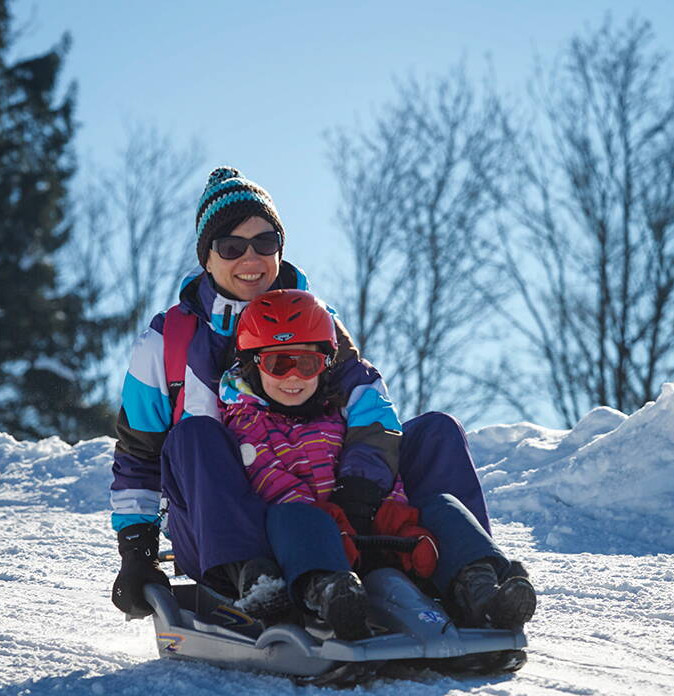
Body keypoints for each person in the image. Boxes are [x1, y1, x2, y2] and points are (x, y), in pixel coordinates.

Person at [107, 166, 496, 623]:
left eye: (265, 242)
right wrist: (137, 553)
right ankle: (260, 581)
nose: (250, 258)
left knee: (436, 431)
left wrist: (357, 494)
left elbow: (370, 405)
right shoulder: (165, 342)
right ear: (206, 258)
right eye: (231, 246)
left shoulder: (318, 323)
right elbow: (138, 455)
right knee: (195, 435)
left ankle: (473, 577)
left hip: (337, 506)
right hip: (230, 529)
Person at [217, 291, 536, 635]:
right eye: (278, 364)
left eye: (306, 363)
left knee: (441, 508)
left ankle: (482, 591)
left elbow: (383, 462)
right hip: (313, 541)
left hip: (371, 526)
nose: (293, 376)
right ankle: (330, 597)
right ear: (253, 365)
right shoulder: (248, 421)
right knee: (294, 516)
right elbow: (269, 480)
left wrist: (383, 508)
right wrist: (333, 521)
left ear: (325, 364)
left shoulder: (341, 411)